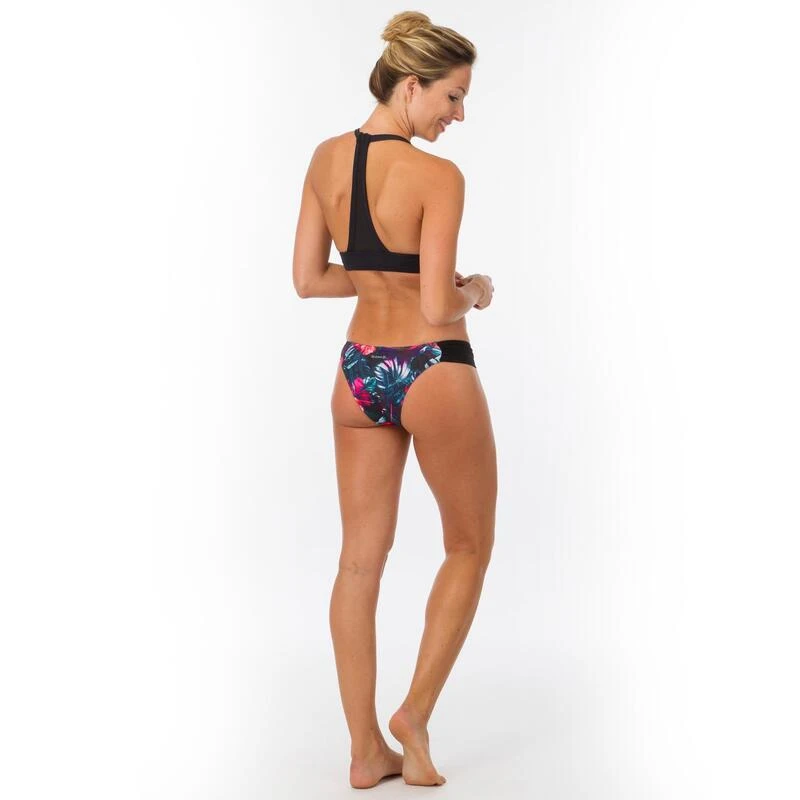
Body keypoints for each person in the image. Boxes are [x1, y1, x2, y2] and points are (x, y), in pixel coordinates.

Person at [292, 10, 496, 789]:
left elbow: (309, 280)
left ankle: (364, 752)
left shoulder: (324, 158)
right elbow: (439, 307)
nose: (458, 116)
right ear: (411, 86)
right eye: (452, 96)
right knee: (468, 546)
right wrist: (473, 290)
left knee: (357, 563)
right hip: (432, 366)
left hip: (360, 371)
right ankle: (412, 715)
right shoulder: (438, 178)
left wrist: (383, 276)